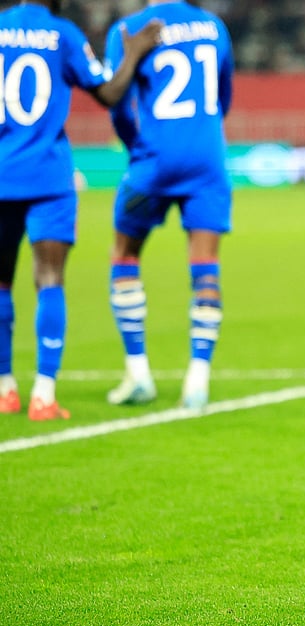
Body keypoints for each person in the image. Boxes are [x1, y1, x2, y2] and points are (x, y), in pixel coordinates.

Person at [0, 0, 160, 420]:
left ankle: (4, 388)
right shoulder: (62, 34)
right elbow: (109, 93)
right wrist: (132, 54)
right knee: (49, 279)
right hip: (48, 178)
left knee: (0, 284)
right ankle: (44, 395)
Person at [103, 0, 234, 411]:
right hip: (207, 159)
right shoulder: (214, 28)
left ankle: (138, 371)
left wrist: (134, 146)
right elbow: (223, 96)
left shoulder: (129, 29)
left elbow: (118, 102)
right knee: (205, 264)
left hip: (154, 159)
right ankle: (198, 379)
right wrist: (202, 135)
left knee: (124, 254)